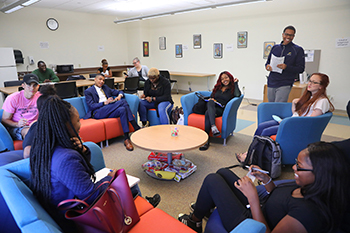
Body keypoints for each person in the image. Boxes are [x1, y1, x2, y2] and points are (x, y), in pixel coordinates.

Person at [29, 96, 160, 232]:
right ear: (65, 125)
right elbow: (90, 196)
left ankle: (141, 204)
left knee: (128, 184)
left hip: (65, 205)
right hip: (77, 216)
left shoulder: (45, 147)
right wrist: (110, 177)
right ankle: (132, 217)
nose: (80, 125)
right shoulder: (66, 159)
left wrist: (83, 150)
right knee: (124, 180)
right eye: (77, 121)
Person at [178, 141, 350, 233]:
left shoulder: (307, 214)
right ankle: (206, 207)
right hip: (260, 207)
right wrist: (267, 180)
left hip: (252, 222)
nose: (293, 169)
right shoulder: (308, 185)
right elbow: (280, 197)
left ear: (320, 173)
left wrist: (253, 198)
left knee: (212, 180)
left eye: (299, 166)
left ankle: (195, 221)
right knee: (222, 171)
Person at [255, 73, 334, 137]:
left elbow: (310, 121)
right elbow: (296, 114)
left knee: (266, 131)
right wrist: (294, 103)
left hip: (298, 127)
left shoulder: (322, 101)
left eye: (314, 82)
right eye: (310, 81)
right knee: (262, 126)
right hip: (293, 122)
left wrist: (287, 122)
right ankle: (252, 151)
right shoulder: (309, 97)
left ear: (321, 86)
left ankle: (256, 153)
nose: (310, 84)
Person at [84, 74, 140, 151]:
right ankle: (135, 126)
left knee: (122, 109)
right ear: (95, 80)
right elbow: (91, 106)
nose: (102, 81)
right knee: (123, 102)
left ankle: (126, 138)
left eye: (103, 80)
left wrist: (119, 95)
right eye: (100, 79)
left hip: (108, 109)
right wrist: (104, 103)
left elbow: (119, 91)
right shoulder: (88, 91)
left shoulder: (105, 87)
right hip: (98, 112)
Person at [198, 71, 241, 151]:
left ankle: (206, 141)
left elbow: (238, 95)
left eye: (226, 77)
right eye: (222, 79)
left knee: (208, 111)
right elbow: (211, 96)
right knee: (209, 108)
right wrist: (212, 99)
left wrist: (235, 83)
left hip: (221, 109)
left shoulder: (232, 88)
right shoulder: (218, 88)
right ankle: (213, 129)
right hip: (213, 107)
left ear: (230, 78)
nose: (224, 80)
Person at [265, 25, 305, 102]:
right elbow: (267, 63)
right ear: (283, 34)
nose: (288, 37)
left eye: (291, 35)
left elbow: (301, 69)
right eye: (286, 34)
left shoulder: (297, 50)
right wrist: (267, 67)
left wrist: (286, 67)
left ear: (293, 36)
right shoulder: (275, 48)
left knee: (278, 106)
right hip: (272, 81)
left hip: (285, 83)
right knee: (270, 106)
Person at [1, 74, 41, 140]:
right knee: (30, 132)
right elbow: (4, 120)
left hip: (36, 125)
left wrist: (38, 121)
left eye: (35, 85)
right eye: (29, 85)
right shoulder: (13, 98)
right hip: (18, 127)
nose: (32, 88)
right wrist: (17, 124)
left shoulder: (41, 97)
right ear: (23, 85)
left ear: (38, 86)